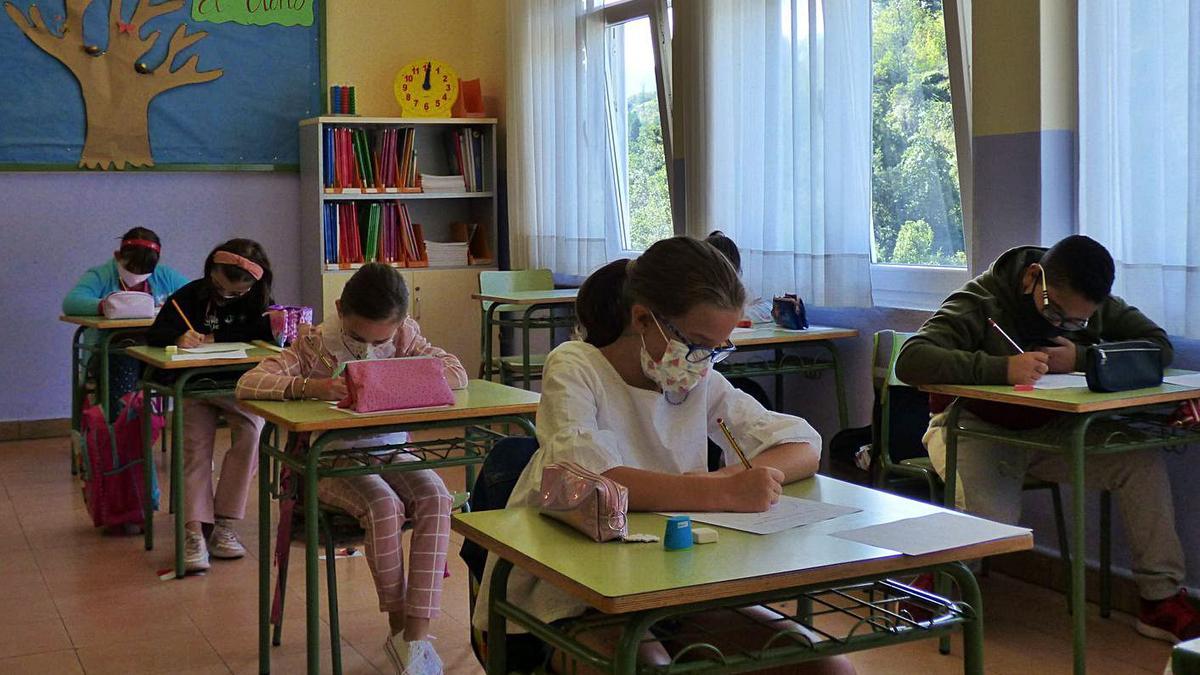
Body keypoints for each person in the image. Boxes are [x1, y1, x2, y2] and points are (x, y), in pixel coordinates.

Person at [473, 236, 854, 674]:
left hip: (673, 584)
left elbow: (804, 445)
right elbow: (593, 482)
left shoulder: (698, 378)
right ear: (643, 319)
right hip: (571, 596)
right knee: (647, 667)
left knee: (827, 669)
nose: (705, 360)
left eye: (717, 347)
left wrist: (749, 480)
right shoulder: (576, 366)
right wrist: (721, 493)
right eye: (696, 342)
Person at [895, 235, 1200, 642]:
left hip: (1049, 428)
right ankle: (931, 581)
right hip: (972, 427)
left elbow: (1158, 347)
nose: (1061, 324)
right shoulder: (981, 300)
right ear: (1032, 278)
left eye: (1076, 321)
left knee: (1138, 463)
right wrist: (1001, 369)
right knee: (994, 528)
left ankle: (1159, 600)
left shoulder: (1089, 304)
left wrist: (1083, 355)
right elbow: (912, 359)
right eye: (1054, 311)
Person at [238, 263, 466, 675]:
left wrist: (402, 373)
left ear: (400, 323)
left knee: (437, 495)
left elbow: (456, 374)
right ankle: (399, 628)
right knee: (384, 506)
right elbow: (249, 384)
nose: (368, 347)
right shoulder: (313, 345)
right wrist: (312, 387)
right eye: (359, 336)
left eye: (382, 338)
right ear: (341, 309)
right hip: (331, 458)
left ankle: (416, 636)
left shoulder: (404, 337)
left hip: (391, 450)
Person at [147, 239, 276, 574]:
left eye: (236, 293)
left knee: (252, 435)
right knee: (194, 448)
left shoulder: (259, 299)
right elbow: (157, 334)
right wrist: (179, 339)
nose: (226, 296)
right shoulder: (188, 296)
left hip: (239, 387)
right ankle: (193, 531)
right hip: (197, 387)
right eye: (220, 287)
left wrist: (218, 338)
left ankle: (225, 523)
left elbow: (268, 331)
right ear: (210, 272)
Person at [63, 227, 190, 412]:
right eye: (131, 268)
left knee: (179, 365)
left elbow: (193, 297)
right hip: (109, 353)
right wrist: (104, 306)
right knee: (123, 356)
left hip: (153, 350)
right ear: (117, 256)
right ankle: (121, 427)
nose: (137, 274)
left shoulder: (164, 275)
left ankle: (148, 423)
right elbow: (71, 302)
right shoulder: (101, 275)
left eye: (145, 270)